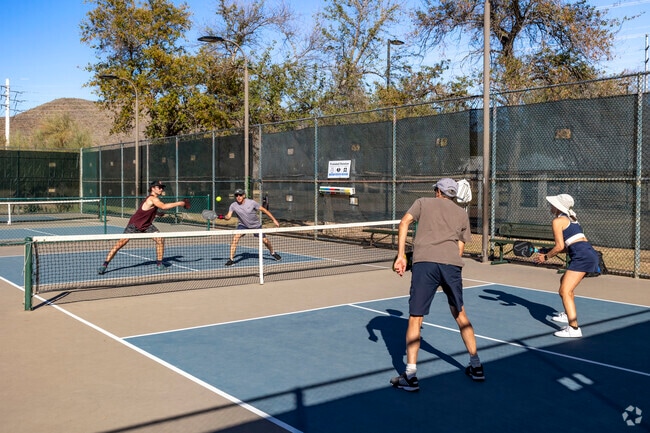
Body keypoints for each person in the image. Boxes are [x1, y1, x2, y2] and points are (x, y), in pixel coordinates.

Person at [391, 178, 484, 392]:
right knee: (460, 314)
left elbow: (404, 222)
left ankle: (411, 375)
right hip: (451, 266)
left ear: (437, 191)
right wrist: (447, 259)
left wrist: (401, 256)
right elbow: (460, 247)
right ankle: (476, 365)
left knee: (416, 318)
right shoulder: (461, 213)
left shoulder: (422, 202)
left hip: (425, 264)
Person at [534, 194, 600, 338]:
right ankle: (567, 315)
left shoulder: (557, 221)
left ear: (558, 207)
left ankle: (574, 329)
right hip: (587, 253)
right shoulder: (573, 219)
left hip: (582, 256)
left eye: (553, 204)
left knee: (565, 291)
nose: (550, 206)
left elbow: (559, 246)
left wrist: (545, 257)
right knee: (564, 281)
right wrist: (547, 250)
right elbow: (568, 245)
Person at [97, 180, 188, 274]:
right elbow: (163, 206)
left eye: (162, 187)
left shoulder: (154, 199)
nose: (161, 189)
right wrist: (180, 203)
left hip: (147, 225)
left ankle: (159, 265)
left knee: (160, 239)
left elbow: (148, 210)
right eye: (159, 187)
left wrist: (157, 214)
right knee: (119, 244)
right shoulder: (152, 198)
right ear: (153, 188)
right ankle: (104, 265)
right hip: (134, 224)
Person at [222, 188, 281, 266]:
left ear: (244, 195)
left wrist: (274, 220)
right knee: (235, 238)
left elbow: (264, 210)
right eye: (236, 195)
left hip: (256, 226)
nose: (238, 197)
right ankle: (231, 259)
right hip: (243, 225)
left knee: (265, 241)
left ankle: (273, 253)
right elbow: (228, 217)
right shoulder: (233, 205)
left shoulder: (252, 203)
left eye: (240, 195)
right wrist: (223, 217)